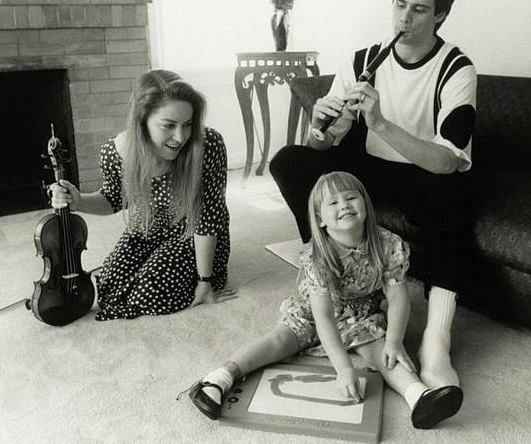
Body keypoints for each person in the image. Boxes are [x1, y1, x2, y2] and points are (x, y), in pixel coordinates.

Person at [269, 0, 475, 399]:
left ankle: (437, 344)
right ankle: (327, 268)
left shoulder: (457, 69)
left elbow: (447, 162)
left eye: (419, 9)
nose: (404, 17)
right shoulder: (364, 58)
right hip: (368, 167)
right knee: (289, 160)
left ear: (440, 14)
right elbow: (324, 148)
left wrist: (379, 121)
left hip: (423, 171)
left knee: (452, 193)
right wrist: (319, 127)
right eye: (399, 4)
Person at [183, 172, 463, 429]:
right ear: (320, 219)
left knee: (384, 351)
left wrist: (394, 338)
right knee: (279, 341)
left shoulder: (388, 244)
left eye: (351, 197)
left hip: (362, 312)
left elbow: (399, 298)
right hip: (314, 313)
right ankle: (218, 379)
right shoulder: (318, 258)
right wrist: (343, 368)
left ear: (365, 204)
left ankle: (420, 397)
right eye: (333, 202)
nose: (344, 204)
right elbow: (324, 318)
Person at [50, 69, 235, 320]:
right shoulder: (114, 152)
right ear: (142, 120)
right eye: (168, 126)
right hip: (149, 226)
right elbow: (112, 198)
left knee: (146, 293)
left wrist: (205, 281)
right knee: (109, 288)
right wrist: (80, 201)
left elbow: (208, 217)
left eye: (188, 124)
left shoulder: (208, 145)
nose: (181, 137)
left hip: (195, 231)